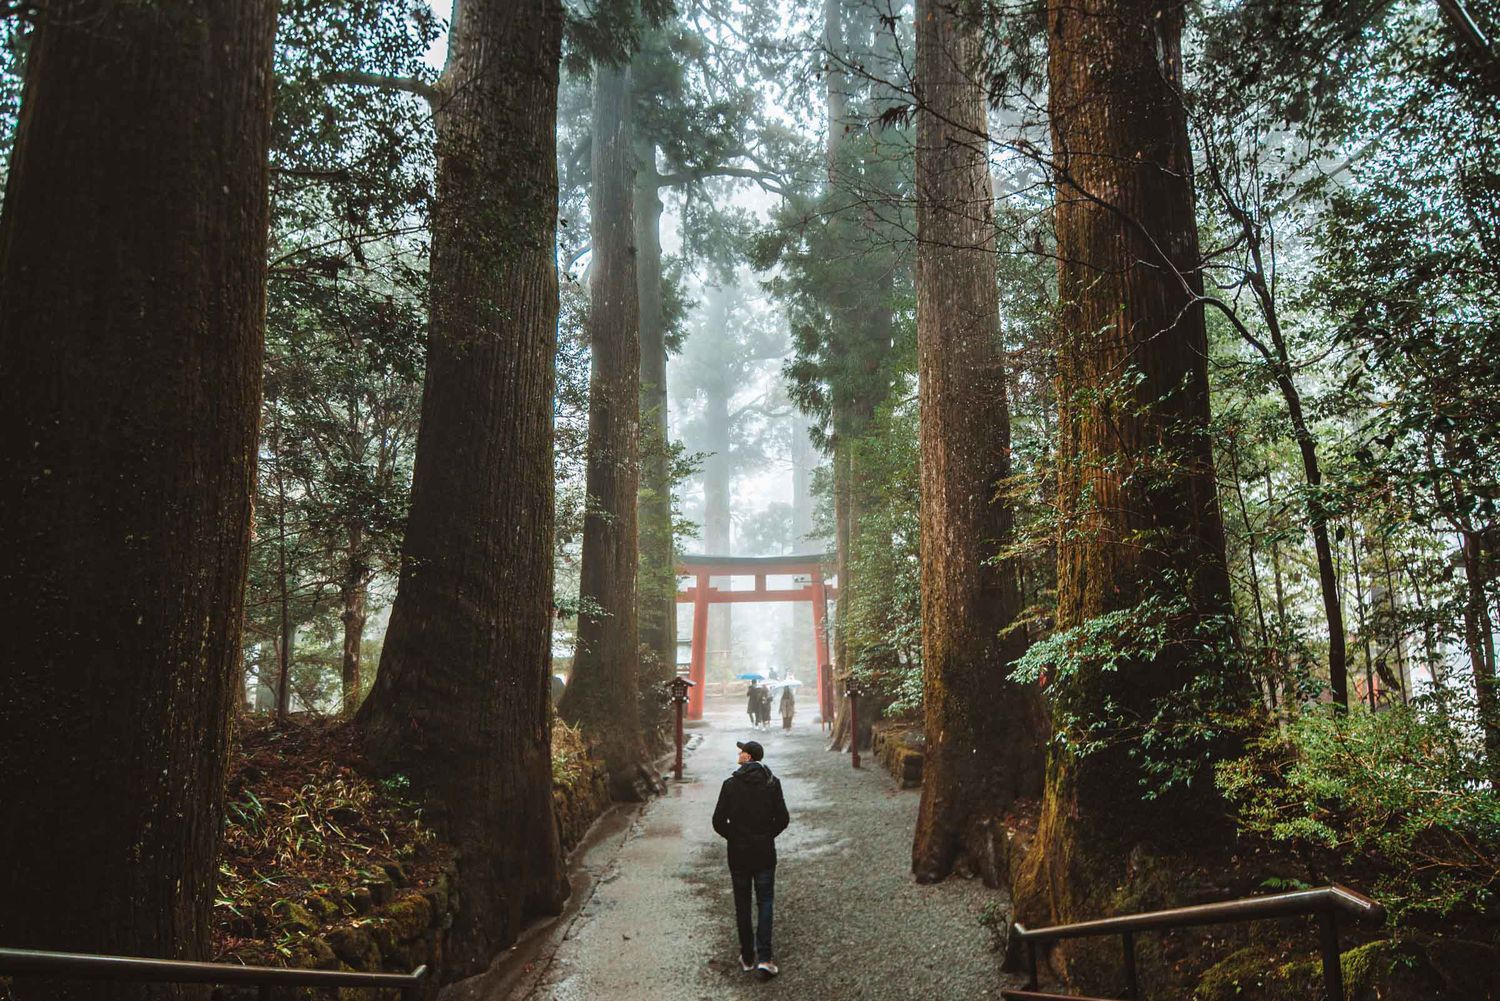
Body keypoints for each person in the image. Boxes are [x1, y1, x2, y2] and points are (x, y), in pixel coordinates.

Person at [711, 739, 789, 980]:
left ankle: (747, 956)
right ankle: (765, 958)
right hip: (764, 851)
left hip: (739, 853)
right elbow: (783, 818)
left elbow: (717, 821)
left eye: (742, 751)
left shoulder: (730, 784)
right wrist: (766, 835)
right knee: (765, 902)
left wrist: (734, 837)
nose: (739, 753)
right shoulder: (772, 783)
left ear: (749, 757)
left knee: (742, 904)